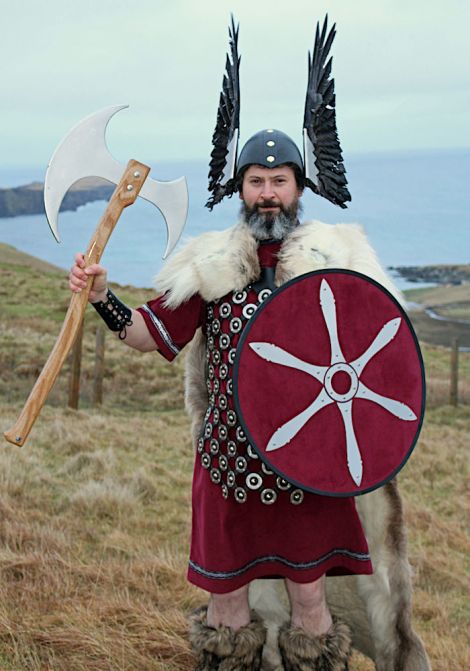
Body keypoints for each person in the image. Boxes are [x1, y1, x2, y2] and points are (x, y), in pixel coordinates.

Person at [69, 18, 431, 671]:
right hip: (229, 463)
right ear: (241, 190)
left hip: (309, 467)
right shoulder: (210, 266)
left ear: (298, 187)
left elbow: (387, 352)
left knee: (313, 606)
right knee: (225, 606)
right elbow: (150, 335)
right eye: (256, 181)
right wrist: (100, 295)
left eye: (279, 180)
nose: (268, 192)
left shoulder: (338, 262)